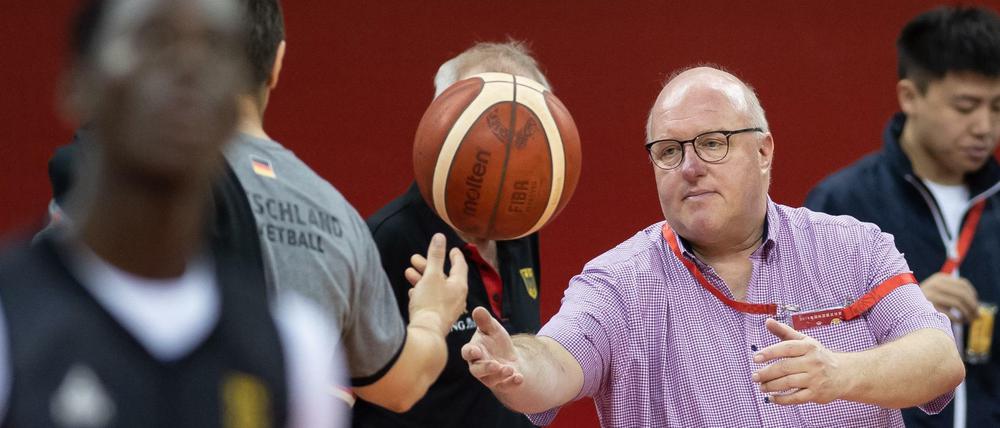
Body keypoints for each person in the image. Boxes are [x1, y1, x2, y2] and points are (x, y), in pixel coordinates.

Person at [456, 66, 965, 427]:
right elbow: (557, 363)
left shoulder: (852, 247)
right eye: (669, 151)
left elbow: (940, 359)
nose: (690, 166)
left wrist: (840, 373)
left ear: (763, 150)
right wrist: (516, 364)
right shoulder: (618, 283)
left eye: (713, 142)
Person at [41, 0, 470, 414]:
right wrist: (432, 316)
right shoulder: (336, 217)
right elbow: (402, 385)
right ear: (276, 62)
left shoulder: (125, 186)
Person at [0, 0, 342, 425]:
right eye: (153, 37)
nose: (188, 67)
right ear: (77, 82)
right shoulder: (11, 319)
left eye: (216, 47)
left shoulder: (294, 347)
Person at [805, 6, 1000, 428]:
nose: (985, 126)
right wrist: (905, 316)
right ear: (909, 97)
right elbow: (805, 343)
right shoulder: (841, 204)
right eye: (966, 107)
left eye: (997, 107)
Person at [354, 40, 549, 428]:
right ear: (442, 123)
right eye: (490, 122)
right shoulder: (384, 239)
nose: (504, 143)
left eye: (521, 126)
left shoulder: (521, 232)